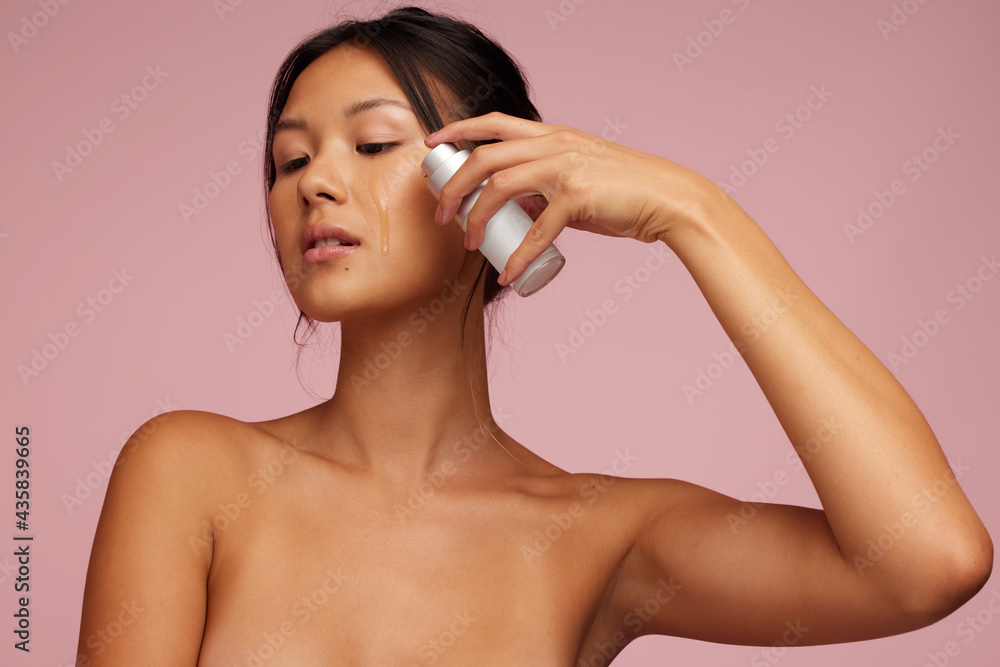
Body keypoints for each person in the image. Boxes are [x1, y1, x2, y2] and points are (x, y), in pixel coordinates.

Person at [76, 6, 992, 665]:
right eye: (290, 158)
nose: (314, 183)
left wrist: (693, 210)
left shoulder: (599, 534)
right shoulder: (189, 470)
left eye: (375, 143)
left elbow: (928, 564)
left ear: (497, 195)